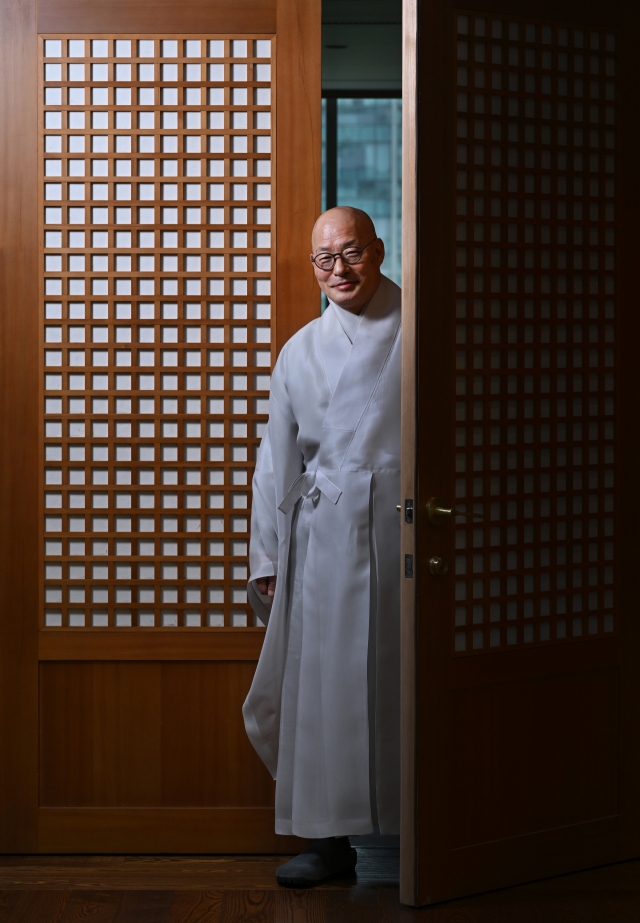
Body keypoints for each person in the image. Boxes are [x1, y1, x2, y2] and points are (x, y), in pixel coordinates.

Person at [242, 206, 401, 887]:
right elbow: (274, 462)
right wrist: (269, 557)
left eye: (353, 252)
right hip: (322, 537)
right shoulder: (300, 348)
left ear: (379, 250)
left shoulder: (422, 328)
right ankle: (326, 838)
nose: (339, 269)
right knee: (319, 689)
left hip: (403, 532)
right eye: (324, 259)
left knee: (402, 682)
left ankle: (428, 832)